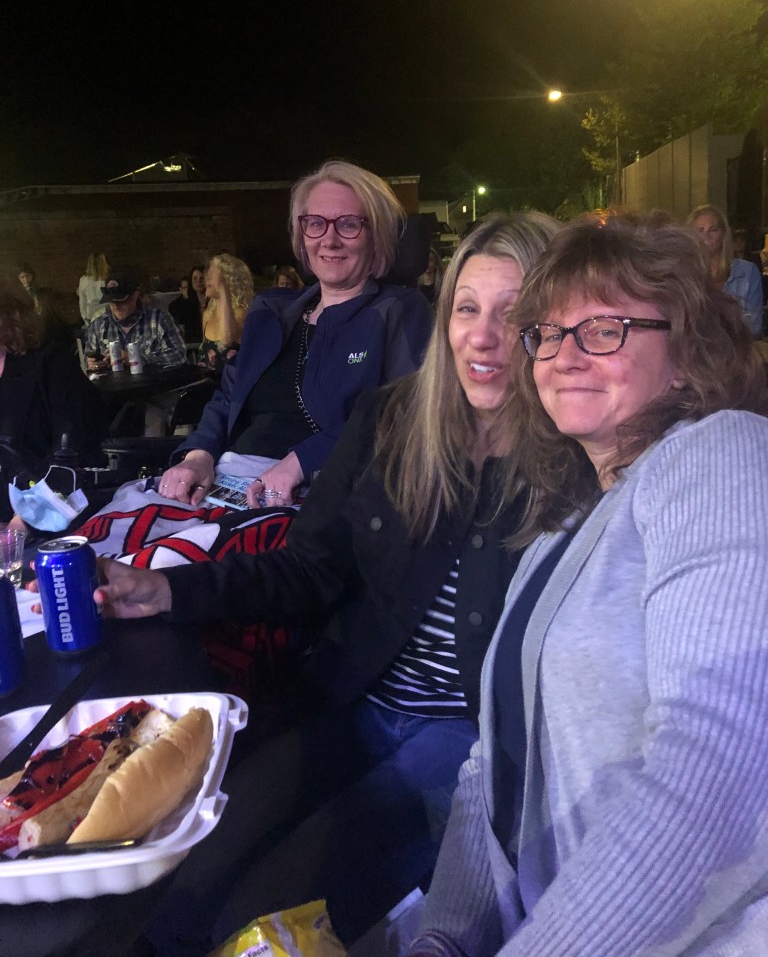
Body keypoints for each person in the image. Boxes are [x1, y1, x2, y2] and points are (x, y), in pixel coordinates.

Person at [71, 213, 560, 953]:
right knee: (182, 879)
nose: (484, 336)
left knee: (267, 910)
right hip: (352, 698)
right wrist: (168, 589)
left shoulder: (573, 453)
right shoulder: (392, 419)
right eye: (467, 308)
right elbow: (309, 562)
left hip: (465, 740)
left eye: (514, 313)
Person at [409, 212, 768, 957]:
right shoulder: (567, 518)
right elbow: (492, 767)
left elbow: (719, 767)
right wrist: (443, 937)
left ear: (687, 352)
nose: (564, 355)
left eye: (604, 329)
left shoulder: (722, 454)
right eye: (547, 332)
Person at [156, 159, 434, 508]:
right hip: (226, 485)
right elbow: (229, 396)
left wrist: (303, 461)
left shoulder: (399, 310)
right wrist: (199, 454)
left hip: (322, 494)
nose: (329, 240)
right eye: (315, 223)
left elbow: (405, 413)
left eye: (349, 224)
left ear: (376, 236)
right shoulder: (271, 310)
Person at [0, 279, 106, 524]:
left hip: (49, 509)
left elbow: (71, 450)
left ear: (9, 312)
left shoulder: (51, 362)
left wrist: (27, 517)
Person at [83, 268, 187, 372]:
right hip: (113, 381)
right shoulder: (98, 325)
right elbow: (87, 361)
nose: (116, 306)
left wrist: (137, 358)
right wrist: (93, 363)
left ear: (135, 296)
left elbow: (179, 356)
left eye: (121, 301)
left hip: (152, 381)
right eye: (111, 301)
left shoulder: (158, 319)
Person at [688, 203, 763, 336]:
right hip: (696, 347)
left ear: (723, 234)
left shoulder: (748, 272)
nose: (707, 236)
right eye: (700, 230)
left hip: (739, 346)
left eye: (713, 230)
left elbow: (754, 326)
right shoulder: (684, 273)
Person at [196, 253, 254, 373]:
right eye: (208, 273)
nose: (207, 278)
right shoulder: (208, 314)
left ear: (228, 279)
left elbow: (227, 339)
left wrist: (223, 290)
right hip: (208, 382)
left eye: (213, 274)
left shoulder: (242, 313)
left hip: (231, 381)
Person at [168, 270, 204, 343]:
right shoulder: (175, 305)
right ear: (180, 289)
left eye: (189, 287)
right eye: (185, 288)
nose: (187, 290)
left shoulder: (200, 301)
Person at [78, 252, 109, 325]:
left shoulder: (83, 280)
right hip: (106, 314)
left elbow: (82, 303)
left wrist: (85, 319)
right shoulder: (108, 279)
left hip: (90, 315)